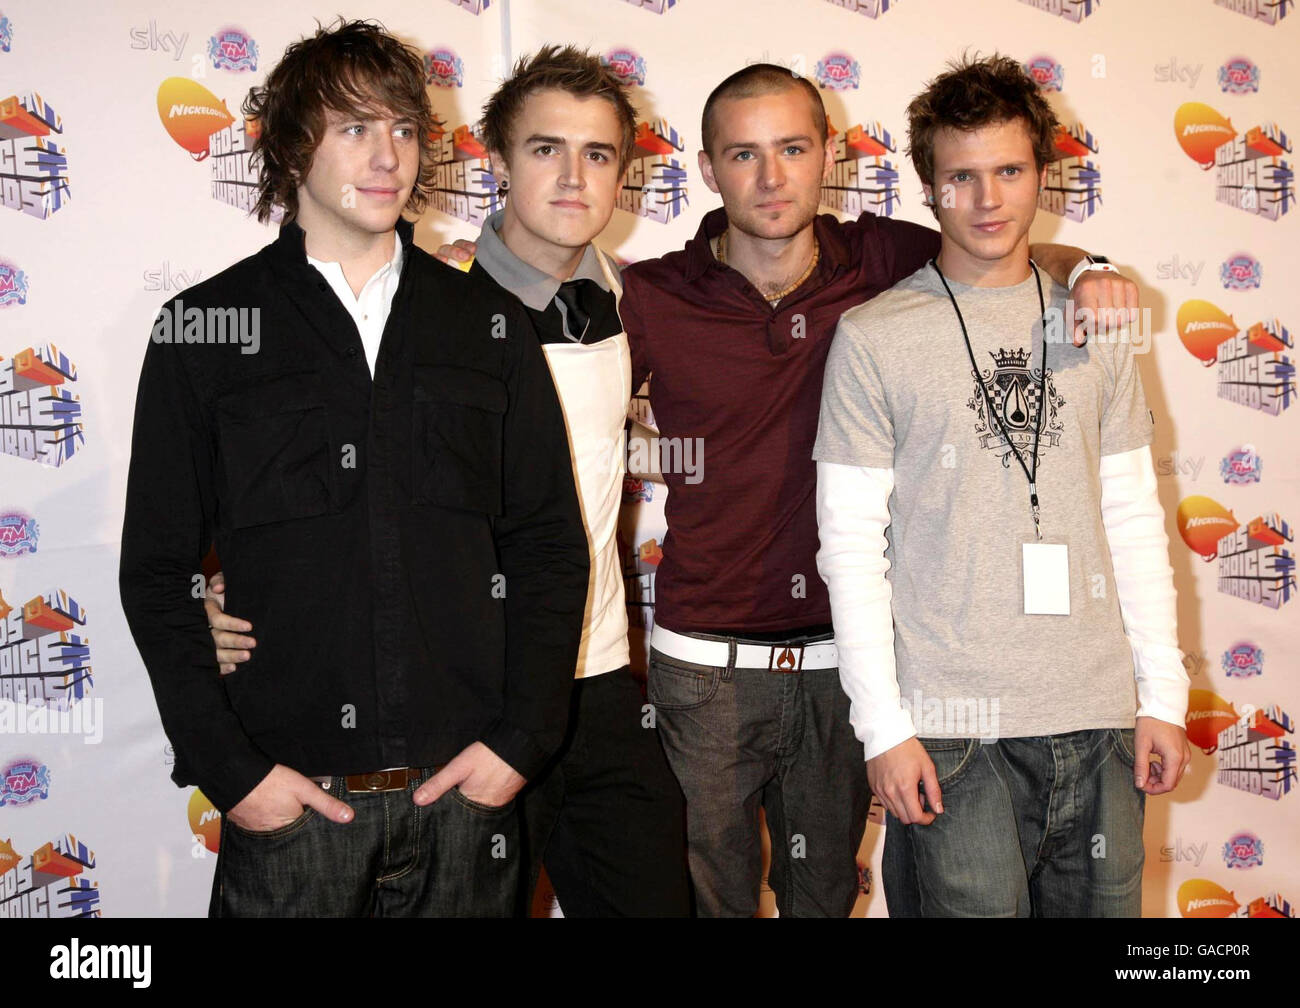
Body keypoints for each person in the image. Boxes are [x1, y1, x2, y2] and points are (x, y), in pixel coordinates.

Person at [438, 60, 1139, 917]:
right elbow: (556, 374)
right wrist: (458, 269)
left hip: (844, 663)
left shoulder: (884, 260)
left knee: (824, 896)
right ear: (705, 168)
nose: (771, 179)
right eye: (742, 155)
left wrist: (1089, 265)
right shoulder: (649, 295)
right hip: (701, 673)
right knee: (703, 902)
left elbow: (1001, 244)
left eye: (793, 149)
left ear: (827, 157)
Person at [118, 19, 589, 918]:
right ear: (293, 147)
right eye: (355, 128)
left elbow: (548, 549)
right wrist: (233, 773)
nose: (389, 157)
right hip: (289, 806)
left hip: (465, 799)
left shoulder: (486, 325)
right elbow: (154, 572)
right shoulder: (203, 330)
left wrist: (522, 743)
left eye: (406, 129)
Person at [210, 44, 691, 918]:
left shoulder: (640, 299)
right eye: (546, 149)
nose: (574, 178)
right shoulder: (437, 307)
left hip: (603, 677)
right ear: (494, 161)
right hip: (468, 697)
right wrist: (216, 588)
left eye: (598, 154)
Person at [813, 54, 1190, 917]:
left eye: (1010, 171)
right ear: (928, 187)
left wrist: (1161, 698)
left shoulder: (1095, 321)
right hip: (951, 734)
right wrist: (886, 728)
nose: (988, 199)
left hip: (1099, 722)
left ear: (1043, 175)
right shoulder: (874, 338)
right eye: (963, 177)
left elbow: (1133, 517)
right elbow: (850, 550)